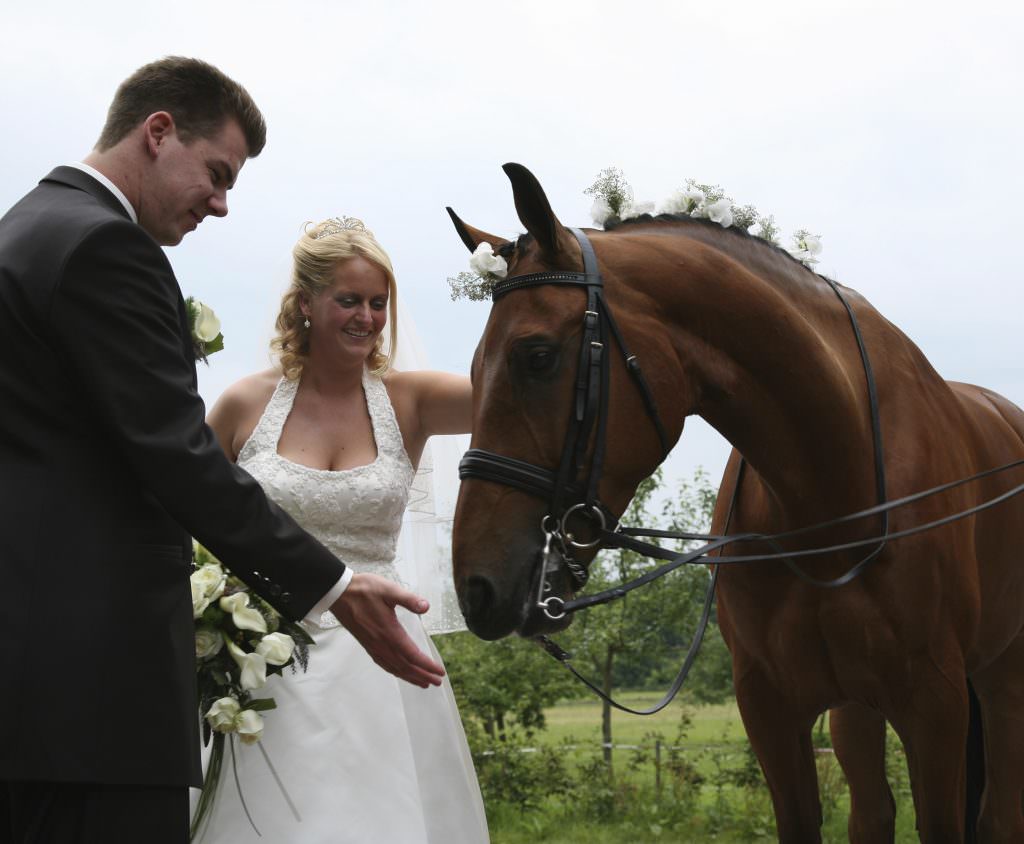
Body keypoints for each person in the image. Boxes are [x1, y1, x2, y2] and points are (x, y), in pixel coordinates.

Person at [0, 58, 443, 844]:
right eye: (216, 173)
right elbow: (176, 457)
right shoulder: (107, 248)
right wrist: (335, 585)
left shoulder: (22, 231)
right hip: (94, 692)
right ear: (158, 132)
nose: (222, 203)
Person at [197, 217, 488, 843]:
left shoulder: (411, 400)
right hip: (263, 660)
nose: (366, 317)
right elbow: (188, 511)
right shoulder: (244, 404)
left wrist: (520, 284)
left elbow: (523, 395)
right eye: (348, 300)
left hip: (382, 661)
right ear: (306, 303)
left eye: (378, 302)